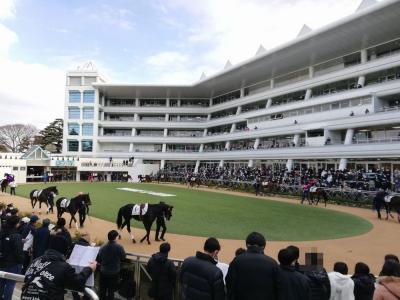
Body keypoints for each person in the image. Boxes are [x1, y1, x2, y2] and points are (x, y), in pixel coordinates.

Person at [21, 234, 96, 300]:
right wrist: (89, 269)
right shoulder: (64, 267)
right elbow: (77, 282)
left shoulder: (36, 260)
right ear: (64, 251)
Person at [226, 232, 282, 300]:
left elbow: (229, 283)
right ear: (263, 246)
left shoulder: (237, 260)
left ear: (247, 245)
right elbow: (279, 287)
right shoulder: (272, 263)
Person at [97, 230, 126, 300]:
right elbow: (123, 257)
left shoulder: (102, 247)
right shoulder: (119, 247)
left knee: (102, 291)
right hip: (114, 273)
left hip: (103, 272)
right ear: (115, 238)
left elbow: (99, 258)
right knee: (111, 291)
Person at [0, 215, 24, 300]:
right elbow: (18, 252)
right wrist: (22, 262)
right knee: (10, 284)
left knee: (1, 282)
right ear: (16, 224)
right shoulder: (16, 236)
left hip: (2, 262)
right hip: (13, 264)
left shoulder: (2, 231)